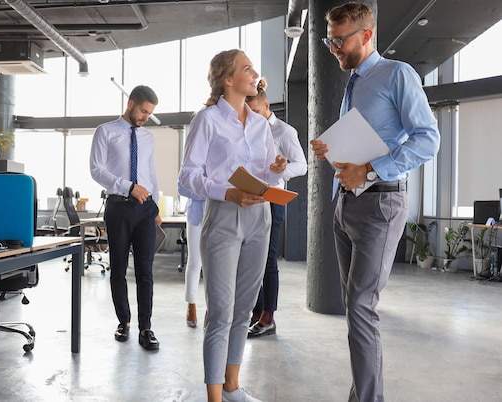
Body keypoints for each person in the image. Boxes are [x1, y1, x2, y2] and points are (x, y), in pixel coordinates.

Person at [309, 3, 440, 401]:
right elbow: (367, 140)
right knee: (356, 309)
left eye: (339, 39)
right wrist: (332, 150)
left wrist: (367, 171)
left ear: (367, 35)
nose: (333, 48)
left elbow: (428, 139)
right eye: (328, 40)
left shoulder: (396, 75)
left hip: (380, 205)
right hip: (346, 204)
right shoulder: (354, 83)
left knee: (362, 308)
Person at [179, 49, 287, 402]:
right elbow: (187, 178)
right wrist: (227, 192)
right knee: (221, 311)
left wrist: (277, 168)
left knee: (244, 308)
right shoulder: (207, 120)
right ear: (228, 80)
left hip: (261, 217)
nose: (255, 73)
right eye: (247, 69)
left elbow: (271, 167)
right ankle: (213, 398)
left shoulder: (260, 124)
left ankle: (231, 388)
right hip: (224, 215)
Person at [90, 85, 163, 351]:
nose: (145, 117)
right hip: (118, 207)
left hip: (145, 209)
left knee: (145, 270)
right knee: (118, 269)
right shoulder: (105, 131)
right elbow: (96, 170)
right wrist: (127, 186)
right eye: (143, 110)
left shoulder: (148, 138)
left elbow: (150, 174)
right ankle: (124, 322)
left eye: (149, 113)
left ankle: (146, 327)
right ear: (131, 103)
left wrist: (155, 208)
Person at [245, 78, 307, 338]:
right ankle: (256, 313)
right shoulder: (249, 130)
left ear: (267, 106)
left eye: (256, 113)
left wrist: (282, 171)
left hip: (273, 199)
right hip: (251, 199)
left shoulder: (284, 132)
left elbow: (302, 165)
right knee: (252, 260)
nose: (253, 118)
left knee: (268, 259)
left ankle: (268, 317)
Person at [177, 182, 205, 327]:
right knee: (195, 261)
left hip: (218, 216)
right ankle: (191, 304)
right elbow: (182, 187)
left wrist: (201, 189)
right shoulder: (193, 159)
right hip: (195, 216)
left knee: (215, 267)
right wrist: (210, 192)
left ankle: (211, 309)